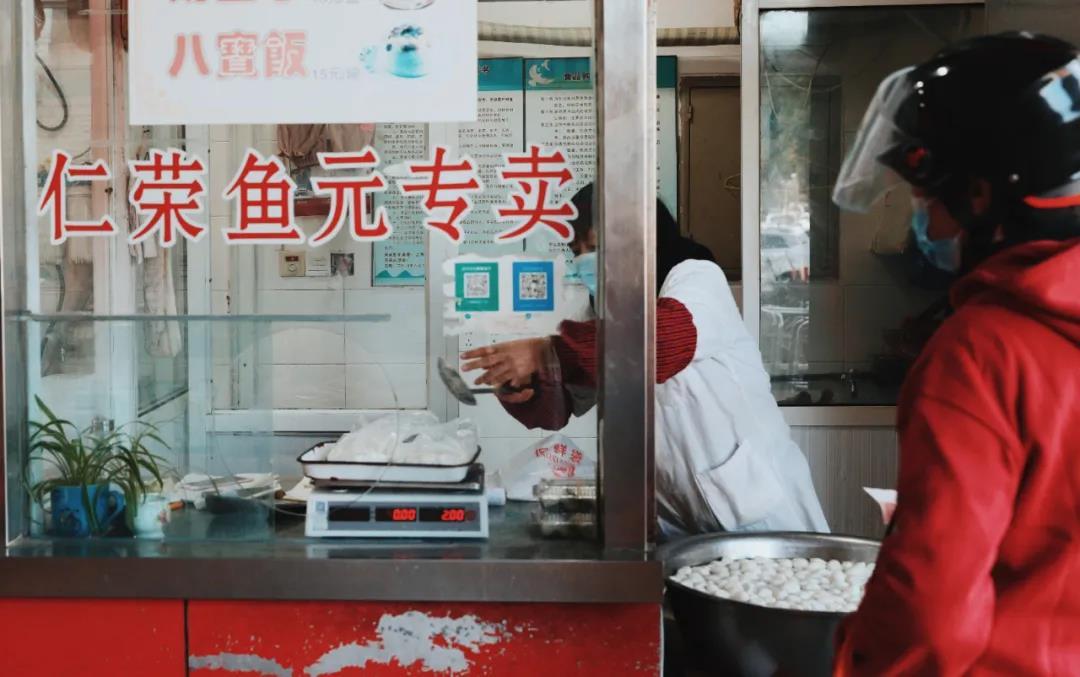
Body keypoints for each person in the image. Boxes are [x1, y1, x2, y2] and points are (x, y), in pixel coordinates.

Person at [830, 32, 1080, 675]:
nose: (920, 217)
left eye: (925, 195)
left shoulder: (984, 351)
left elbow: (930, 614)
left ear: (980, 196)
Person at [462, 183, 828, 537]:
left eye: (596, 247)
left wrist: (546, 353)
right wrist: (528, 386)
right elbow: (564, 402)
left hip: (758, 513)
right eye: (577, 250)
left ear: (641, 239)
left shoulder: (696, 277)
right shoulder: (602, 313)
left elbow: (663, 342)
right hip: (677, 517)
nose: (585, 260)